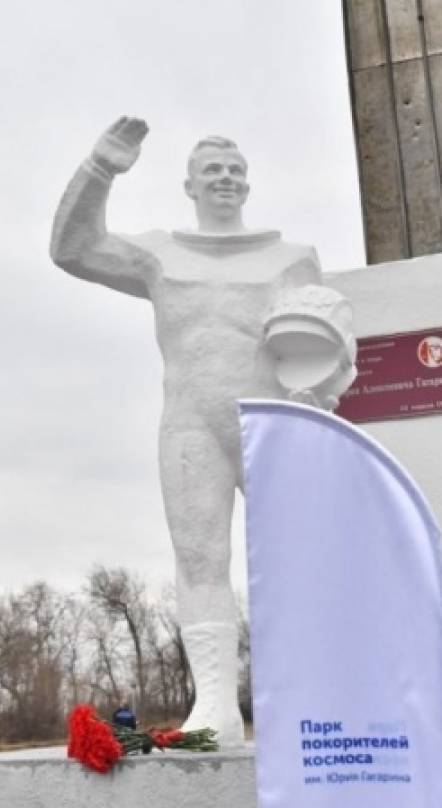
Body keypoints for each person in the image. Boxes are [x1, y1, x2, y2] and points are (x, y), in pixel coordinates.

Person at [49, 118, 354, 744]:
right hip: (190, 424)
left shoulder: (290, 259)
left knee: (295, 559)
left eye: (235, 172)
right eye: (212, 171)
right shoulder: (162, 253)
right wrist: (100, 168)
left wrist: (320, 396)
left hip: (271, 420)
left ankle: (306, 692)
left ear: (248, 186)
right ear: (189, 185)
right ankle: (215, 703)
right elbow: (73, 249)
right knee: (199, 560)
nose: (225, 179)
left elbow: (330, 344)